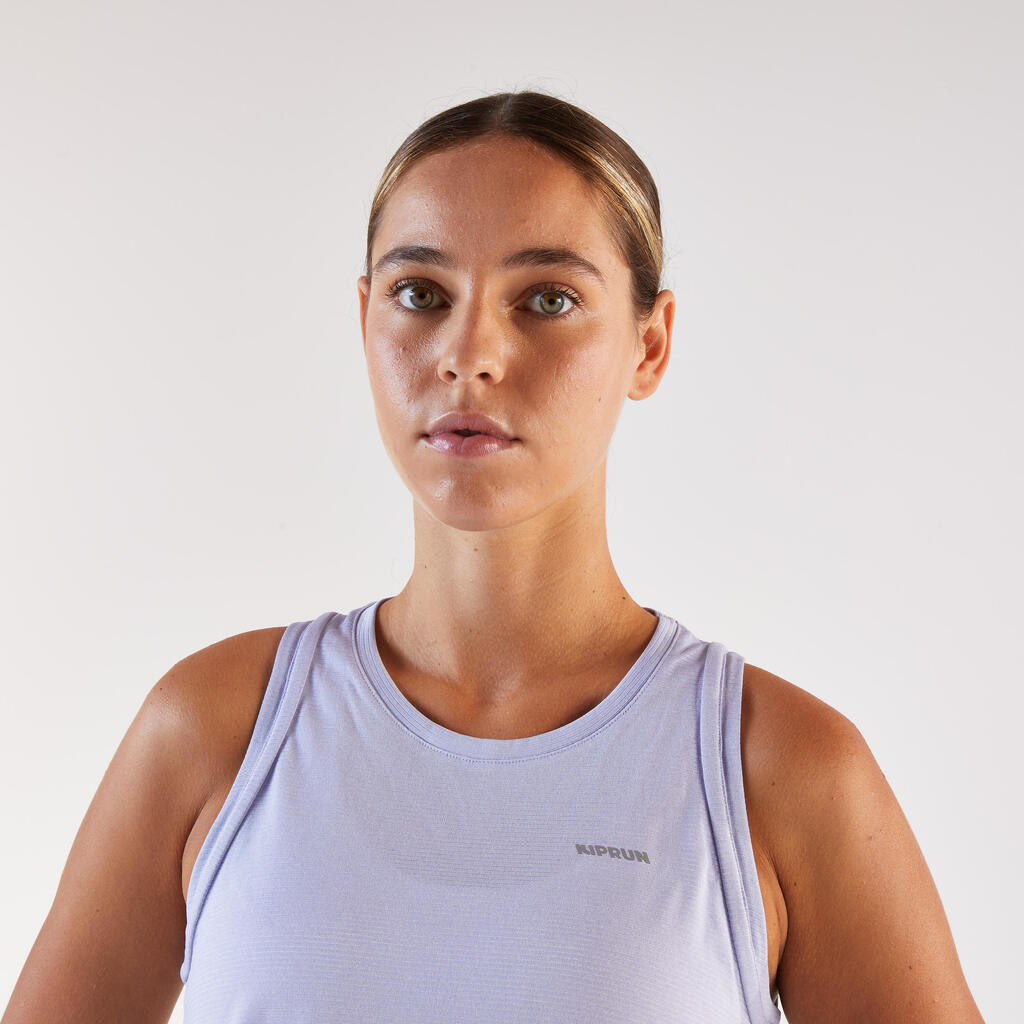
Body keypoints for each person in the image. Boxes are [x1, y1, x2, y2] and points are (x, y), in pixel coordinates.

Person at [2, 90, 984, 1024]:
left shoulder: (778, 767)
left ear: (649, 345)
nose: (468, 352)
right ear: (364, 321)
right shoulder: (217, 730)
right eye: (420, 293)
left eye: (546, 299)